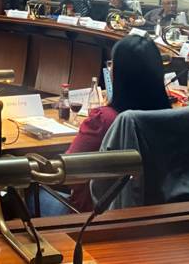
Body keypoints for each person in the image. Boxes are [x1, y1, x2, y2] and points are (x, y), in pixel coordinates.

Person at [65, 36, 171, 211]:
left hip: (93, 215)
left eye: (112, 64)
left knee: (23, 196)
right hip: (157, 213)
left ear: (119, 73)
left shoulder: (104, 119)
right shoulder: (169, 116)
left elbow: (68, 171)